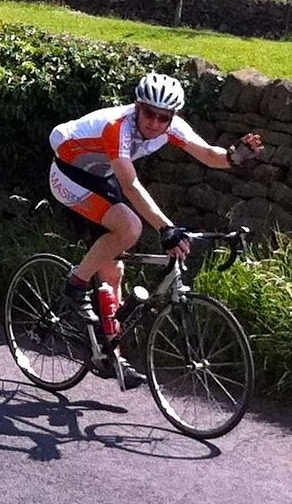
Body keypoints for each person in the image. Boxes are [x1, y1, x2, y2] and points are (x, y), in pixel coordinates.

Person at [47, 73, 262, 387]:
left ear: (172, 116)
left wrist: (235, 156)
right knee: (130, 227)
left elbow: (206, 154)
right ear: (137, 107)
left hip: (100, 175)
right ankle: (75, 285)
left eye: (164, 117)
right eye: (149, 113)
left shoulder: (171, 127)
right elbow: (131, 186)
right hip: (69, 171)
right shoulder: (117, 126)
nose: (155, 123)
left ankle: (109, 356)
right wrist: (166, 228)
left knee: (114, 273)